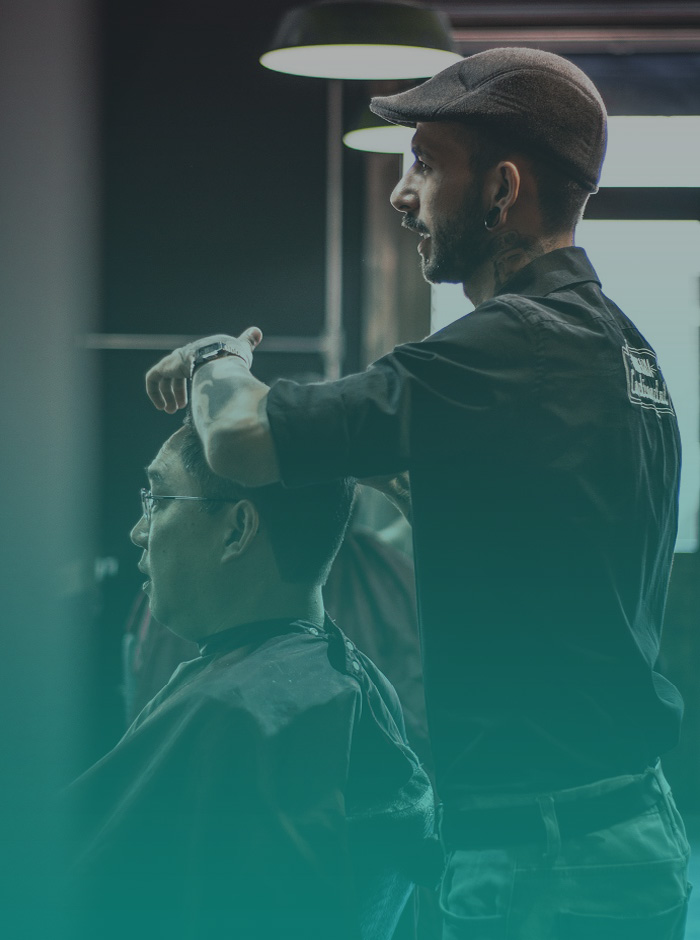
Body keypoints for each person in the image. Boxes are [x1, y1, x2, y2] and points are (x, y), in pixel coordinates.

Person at [143, 48, 691, 939]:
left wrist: (218, 357)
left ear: (501, 189)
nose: (403, 195)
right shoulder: (619, 348)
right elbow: (550, 554)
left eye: (426, 166)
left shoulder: (509, 346)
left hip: (548, 862)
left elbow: (240, 439)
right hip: (614, 829)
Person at [64, 416, 435, 940]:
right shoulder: (351, 682)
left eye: (160, 500)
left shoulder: (241, 713)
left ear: (237, 529)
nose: (139, 532)